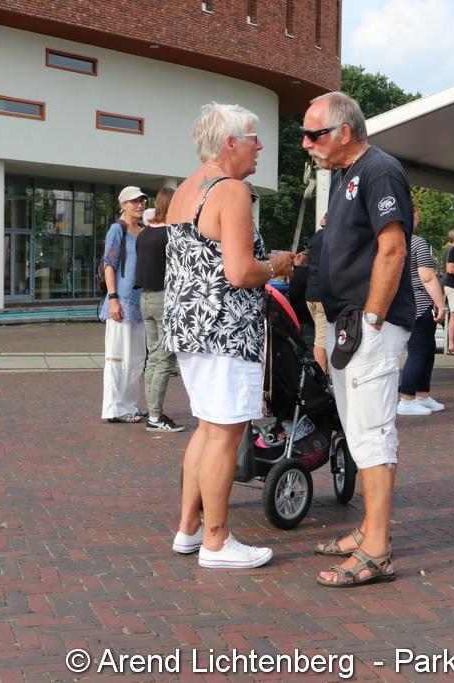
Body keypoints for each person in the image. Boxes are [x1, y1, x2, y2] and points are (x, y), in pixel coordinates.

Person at [164, 102, 294, 569]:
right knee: (223, 434)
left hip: (190, 325)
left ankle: (190, 527)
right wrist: (276, 265)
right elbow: (240, 272)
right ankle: (216, 540)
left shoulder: (186, 189)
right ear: (230, 143)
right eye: (254, 138)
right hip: (226, 330)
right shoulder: (232, 190)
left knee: (206, 429)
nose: (260, 146)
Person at [302, 91, 414, 587]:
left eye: (314, 134)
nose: (306, 143)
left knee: (372, 433)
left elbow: (393, 249)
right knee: (361, 432)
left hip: (369, 323)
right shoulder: (345, 175)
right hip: (347, 321)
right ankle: (370, 530)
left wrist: (372, 319)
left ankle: (378, 550)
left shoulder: (379, 170)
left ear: (343, 132)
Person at [136, 186, 184, 433]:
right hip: (165, 298)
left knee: (153, 357)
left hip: (145, 298)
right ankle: (155, 416)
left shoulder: (144, 234)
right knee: (164, 359)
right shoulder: (171, 233)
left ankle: (152, 410)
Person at [101, 186, 149, 424]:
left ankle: (128, 405)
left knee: (136, 359)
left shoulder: (144, 231)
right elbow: (109, 264)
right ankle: (113, 409)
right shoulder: (116, 229)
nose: (139, 205)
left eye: (141, 201)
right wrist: (113, 299)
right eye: (133, 202)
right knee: (117, 357)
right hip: (121, 302)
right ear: (123, 205)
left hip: (140, 303)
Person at [398, 202, 447, 416]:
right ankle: (407, 399)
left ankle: (422, 395)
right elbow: (427, 277)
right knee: (419, 353)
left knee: (427, 350)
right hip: (419, 304)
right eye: (416, 214)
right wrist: (441, 305)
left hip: (403, 305)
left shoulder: (390, 241)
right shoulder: (417, 242)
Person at [302, 215, 329, 372]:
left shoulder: (315, 239)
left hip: (311, 294)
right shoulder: (332, 238)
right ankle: (321, 378)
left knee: (323, 337)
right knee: (321, 342)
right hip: (323, 297)